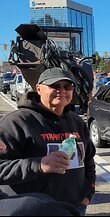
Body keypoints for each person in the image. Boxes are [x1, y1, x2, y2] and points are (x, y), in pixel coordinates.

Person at [0, 68, 96, 216]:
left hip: (75, 208)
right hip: (33, 210)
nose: (62, 90)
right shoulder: (16, 122)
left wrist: (88, 193)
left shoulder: (76, 121)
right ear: (38, 89)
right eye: (55, 86)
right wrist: (39, 165)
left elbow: (88, 159)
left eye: (67, 86)